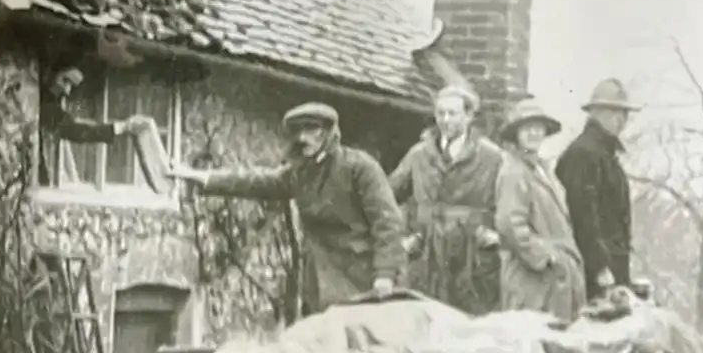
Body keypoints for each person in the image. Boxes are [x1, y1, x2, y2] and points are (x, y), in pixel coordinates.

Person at [180, 102, 405, 314]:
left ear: (326, 132)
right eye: (298, 130)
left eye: (310, 129)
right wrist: (206, 179)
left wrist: (385, 274)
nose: (302, 137)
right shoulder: (301, 173)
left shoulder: (360, 168)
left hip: (358, 279)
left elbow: (388, 223)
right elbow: (257, 181)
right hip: (317, 282)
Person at [388, 85, 504, 314]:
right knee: (423, 321)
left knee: (468, 328)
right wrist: (400, 238)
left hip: (472, 259)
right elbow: (386, 199)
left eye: (452, 113)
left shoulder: (492, 157)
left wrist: (498, 237)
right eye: (440, 113)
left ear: (469, 116)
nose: (445, 120)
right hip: (426, 254)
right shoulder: (419, 154)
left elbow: (512, 204)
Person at [493, 98, 586, 322]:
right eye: (526, 128)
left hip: (555, 281)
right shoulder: (514, 172)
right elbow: (509, 224)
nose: (533, 133)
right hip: (531, 282)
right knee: (534, 345)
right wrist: (546, 256)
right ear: (516, 133)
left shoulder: (543, 170)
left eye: (538, 127)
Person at [555, 77, 639, 300]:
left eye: (624, 114)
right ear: (596, 113)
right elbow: (582, 217)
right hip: (593, 273)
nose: (621, 120)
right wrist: (599, 267)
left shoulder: (605, 155)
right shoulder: (584, 155)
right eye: (614, 112)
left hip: (612, 268)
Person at [38, 65, 151, 187]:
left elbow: (76, 129)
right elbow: (76, 131)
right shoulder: (47, 105)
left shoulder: (51, 102)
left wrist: (117, 128)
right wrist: (118, 128)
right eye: (66, 83)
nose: (68, 90)